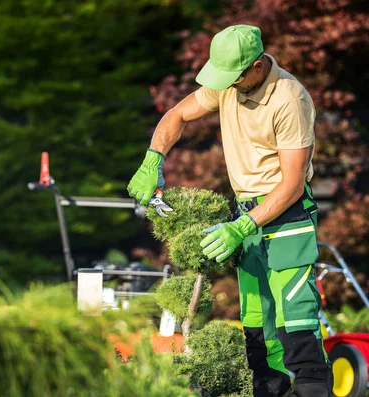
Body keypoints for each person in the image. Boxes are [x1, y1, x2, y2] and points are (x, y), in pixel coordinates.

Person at [127, 25, 333, 396]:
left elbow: (292, 184)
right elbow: (177, 115)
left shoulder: (290, 99)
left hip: (286, 218)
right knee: (256, 326)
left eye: (233, 77)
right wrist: (152, 158)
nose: (226, 85)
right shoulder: (227, 82)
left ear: (256, 66)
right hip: (246, 217)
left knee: (295, 321)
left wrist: (240, 228)